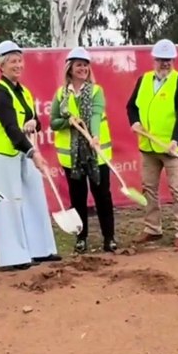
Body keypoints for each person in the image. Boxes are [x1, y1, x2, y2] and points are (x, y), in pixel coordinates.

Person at [0, 40, 63, 268]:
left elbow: (36, 121)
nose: (18, 65)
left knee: (35, 195)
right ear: (1, 66)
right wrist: (33, 153)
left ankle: (41, 249)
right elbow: (10, 128)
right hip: (1, 153)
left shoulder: (24, 91)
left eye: (19, 60)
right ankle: (13, 256)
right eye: (12, 62)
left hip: (23, 149)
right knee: (8, 202)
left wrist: (34, 123)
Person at [126, 39, 178, 248]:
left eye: (169, 60)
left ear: (173, 61)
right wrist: (135, 122)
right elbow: (131, 106)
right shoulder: (144, 80)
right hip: (148, 147)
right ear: (154, 60)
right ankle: (152, 228)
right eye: (161, 59)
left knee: (177, 189)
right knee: (149, 188)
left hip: (173, 149)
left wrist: (176, 140)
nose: (165, 63)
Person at [48, 46, 118, 254]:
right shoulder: (61, 93)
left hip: (97, 154)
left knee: (102, 196)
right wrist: (67, 122)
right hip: (72, 158)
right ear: (70, 68)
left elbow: (96, 115)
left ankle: (109, 238)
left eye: (86, 65)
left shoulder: (96, 91)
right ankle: (81, 238)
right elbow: (53, 122)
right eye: (79, 65)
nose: (83, 69)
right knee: (77, 198)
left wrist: (94, 136)